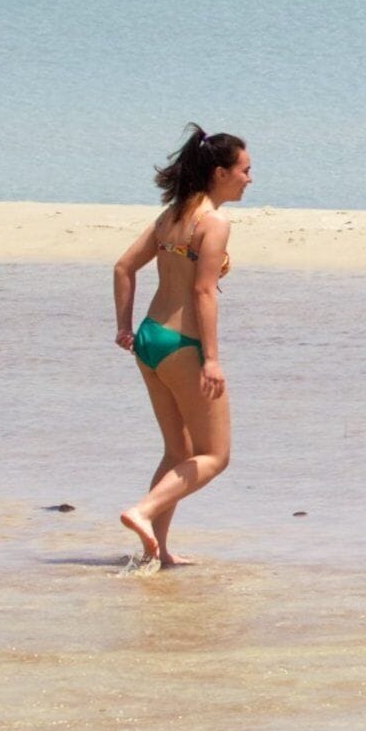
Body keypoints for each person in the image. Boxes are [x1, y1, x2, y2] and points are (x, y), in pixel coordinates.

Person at [113, 126, 250, 570]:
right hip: (182, 344)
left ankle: (159, 549)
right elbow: (204, 293)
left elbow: (123, 267)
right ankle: (143, 511)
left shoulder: (172, 216)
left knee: (178, 452)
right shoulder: (213, 222)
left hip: (150, 338)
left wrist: (124, 328)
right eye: (245, 170)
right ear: (220, 173)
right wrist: (211, 359)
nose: (250, 179)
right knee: (214, 455)